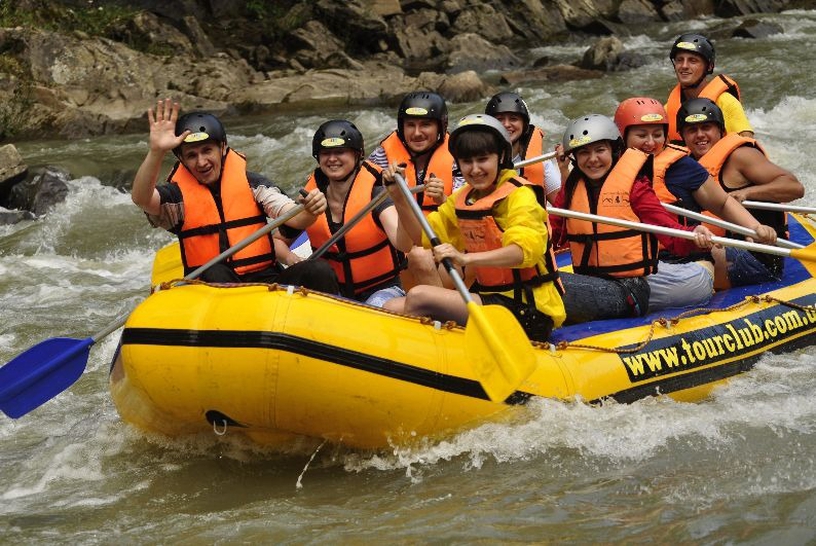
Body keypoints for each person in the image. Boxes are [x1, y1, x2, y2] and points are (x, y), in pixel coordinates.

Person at [382, 114, 566, 342]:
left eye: (483, 159)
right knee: (391, 306)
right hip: (491, 300)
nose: (475, 169)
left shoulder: (521, 195)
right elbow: (420, 237)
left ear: (500, 157)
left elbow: (522, 253)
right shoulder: (463, 198)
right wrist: (399, 198)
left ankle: (450, 347)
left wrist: (466, 259)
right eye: (467, 161)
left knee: (419, 296)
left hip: (528, 311)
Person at [131, 98, 339, 293]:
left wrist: (311, 209)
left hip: (266, 284)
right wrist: (156, 152)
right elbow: (142, 198)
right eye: (192, 155)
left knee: (318, 270)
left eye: (207, 151)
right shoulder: (177, 198)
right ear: (182, 160)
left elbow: (294, 216)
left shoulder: (253, 185)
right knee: (214, 271)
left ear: (222, 148)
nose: (201, 161)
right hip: (213, 292)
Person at [614, 96, 777, 310]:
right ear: (622, 136)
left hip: (685, 261)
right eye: (641, 135)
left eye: (657, 134)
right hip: (634, 262)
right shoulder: (609, 167)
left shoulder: (682, 167)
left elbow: (723, 203)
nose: (651, 142)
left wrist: (754, 228)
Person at [550, 114, 714, 324]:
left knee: (552, 286)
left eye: (600, 150)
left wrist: (694, 235)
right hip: (593, 280)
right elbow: (551, 235)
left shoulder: (636, 189)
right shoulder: (572, 189)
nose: (592, 159)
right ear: (575, 158)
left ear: (614, 151)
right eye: (584, 152)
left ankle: (704, 270)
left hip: (630, 288)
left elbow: (667, 229)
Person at [677, 98, 805, 288]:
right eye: (692, 130)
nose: (700, 135)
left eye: (706, 127)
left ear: (720, 130)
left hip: (757, 257)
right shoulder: (683, 164)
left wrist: (747, 193)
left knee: (695, 257)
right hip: (719, 247)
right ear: (683, 136)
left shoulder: (740, 156)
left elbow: (794, 188)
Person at [304, 119, 405, 307]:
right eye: (326, 153)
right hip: (335, 292)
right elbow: (280, 240)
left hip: (383, 290)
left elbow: (402, 242)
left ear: (357, 155)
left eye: (340, 152)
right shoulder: (312, 195)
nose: (332, 159)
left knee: (373, 308)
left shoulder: (376, 193)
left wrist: (401, 201)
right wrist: (290, 258)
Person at [368, 90, 465, 287]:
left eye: (425, 124)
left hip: (446, 249)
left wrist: (443, 201)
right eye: (410, 125)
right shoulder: (383, 156)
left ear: (441, 126)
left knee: (420, 254)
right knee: (416, 253)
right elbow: (362, 187)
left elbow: (468, 217)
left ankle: (440, 307)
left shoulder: (459, 155)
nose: (417, 132)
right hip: (401, 249)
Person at [665, 33, 753, 144]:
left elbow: (748, 144)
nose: (684, 66)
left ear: (709, 66)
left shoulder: (726, 102)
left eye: (693, 61)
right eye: (679, 60)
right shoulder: (668, 109)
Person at [484, 91, 562, 204]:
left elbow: (561, 206)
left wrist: (563, 169)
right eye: (500, 119)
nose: (506, 124)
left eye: (513, 119)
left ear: (524, 125)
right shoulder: (477, 162)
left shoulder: (541, 162)